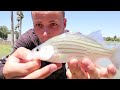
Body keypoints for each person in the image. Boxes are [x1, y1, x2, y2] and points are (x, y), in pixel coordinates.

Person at [0, 11, 117, 79]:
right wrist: (5, 73)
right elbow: (4, 63)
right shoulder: (27, 40)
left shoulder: (76, 39)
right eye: (39, 25)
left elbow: (87, 63)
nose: (45, 34)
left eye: (53, 24)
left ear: (64, 23)